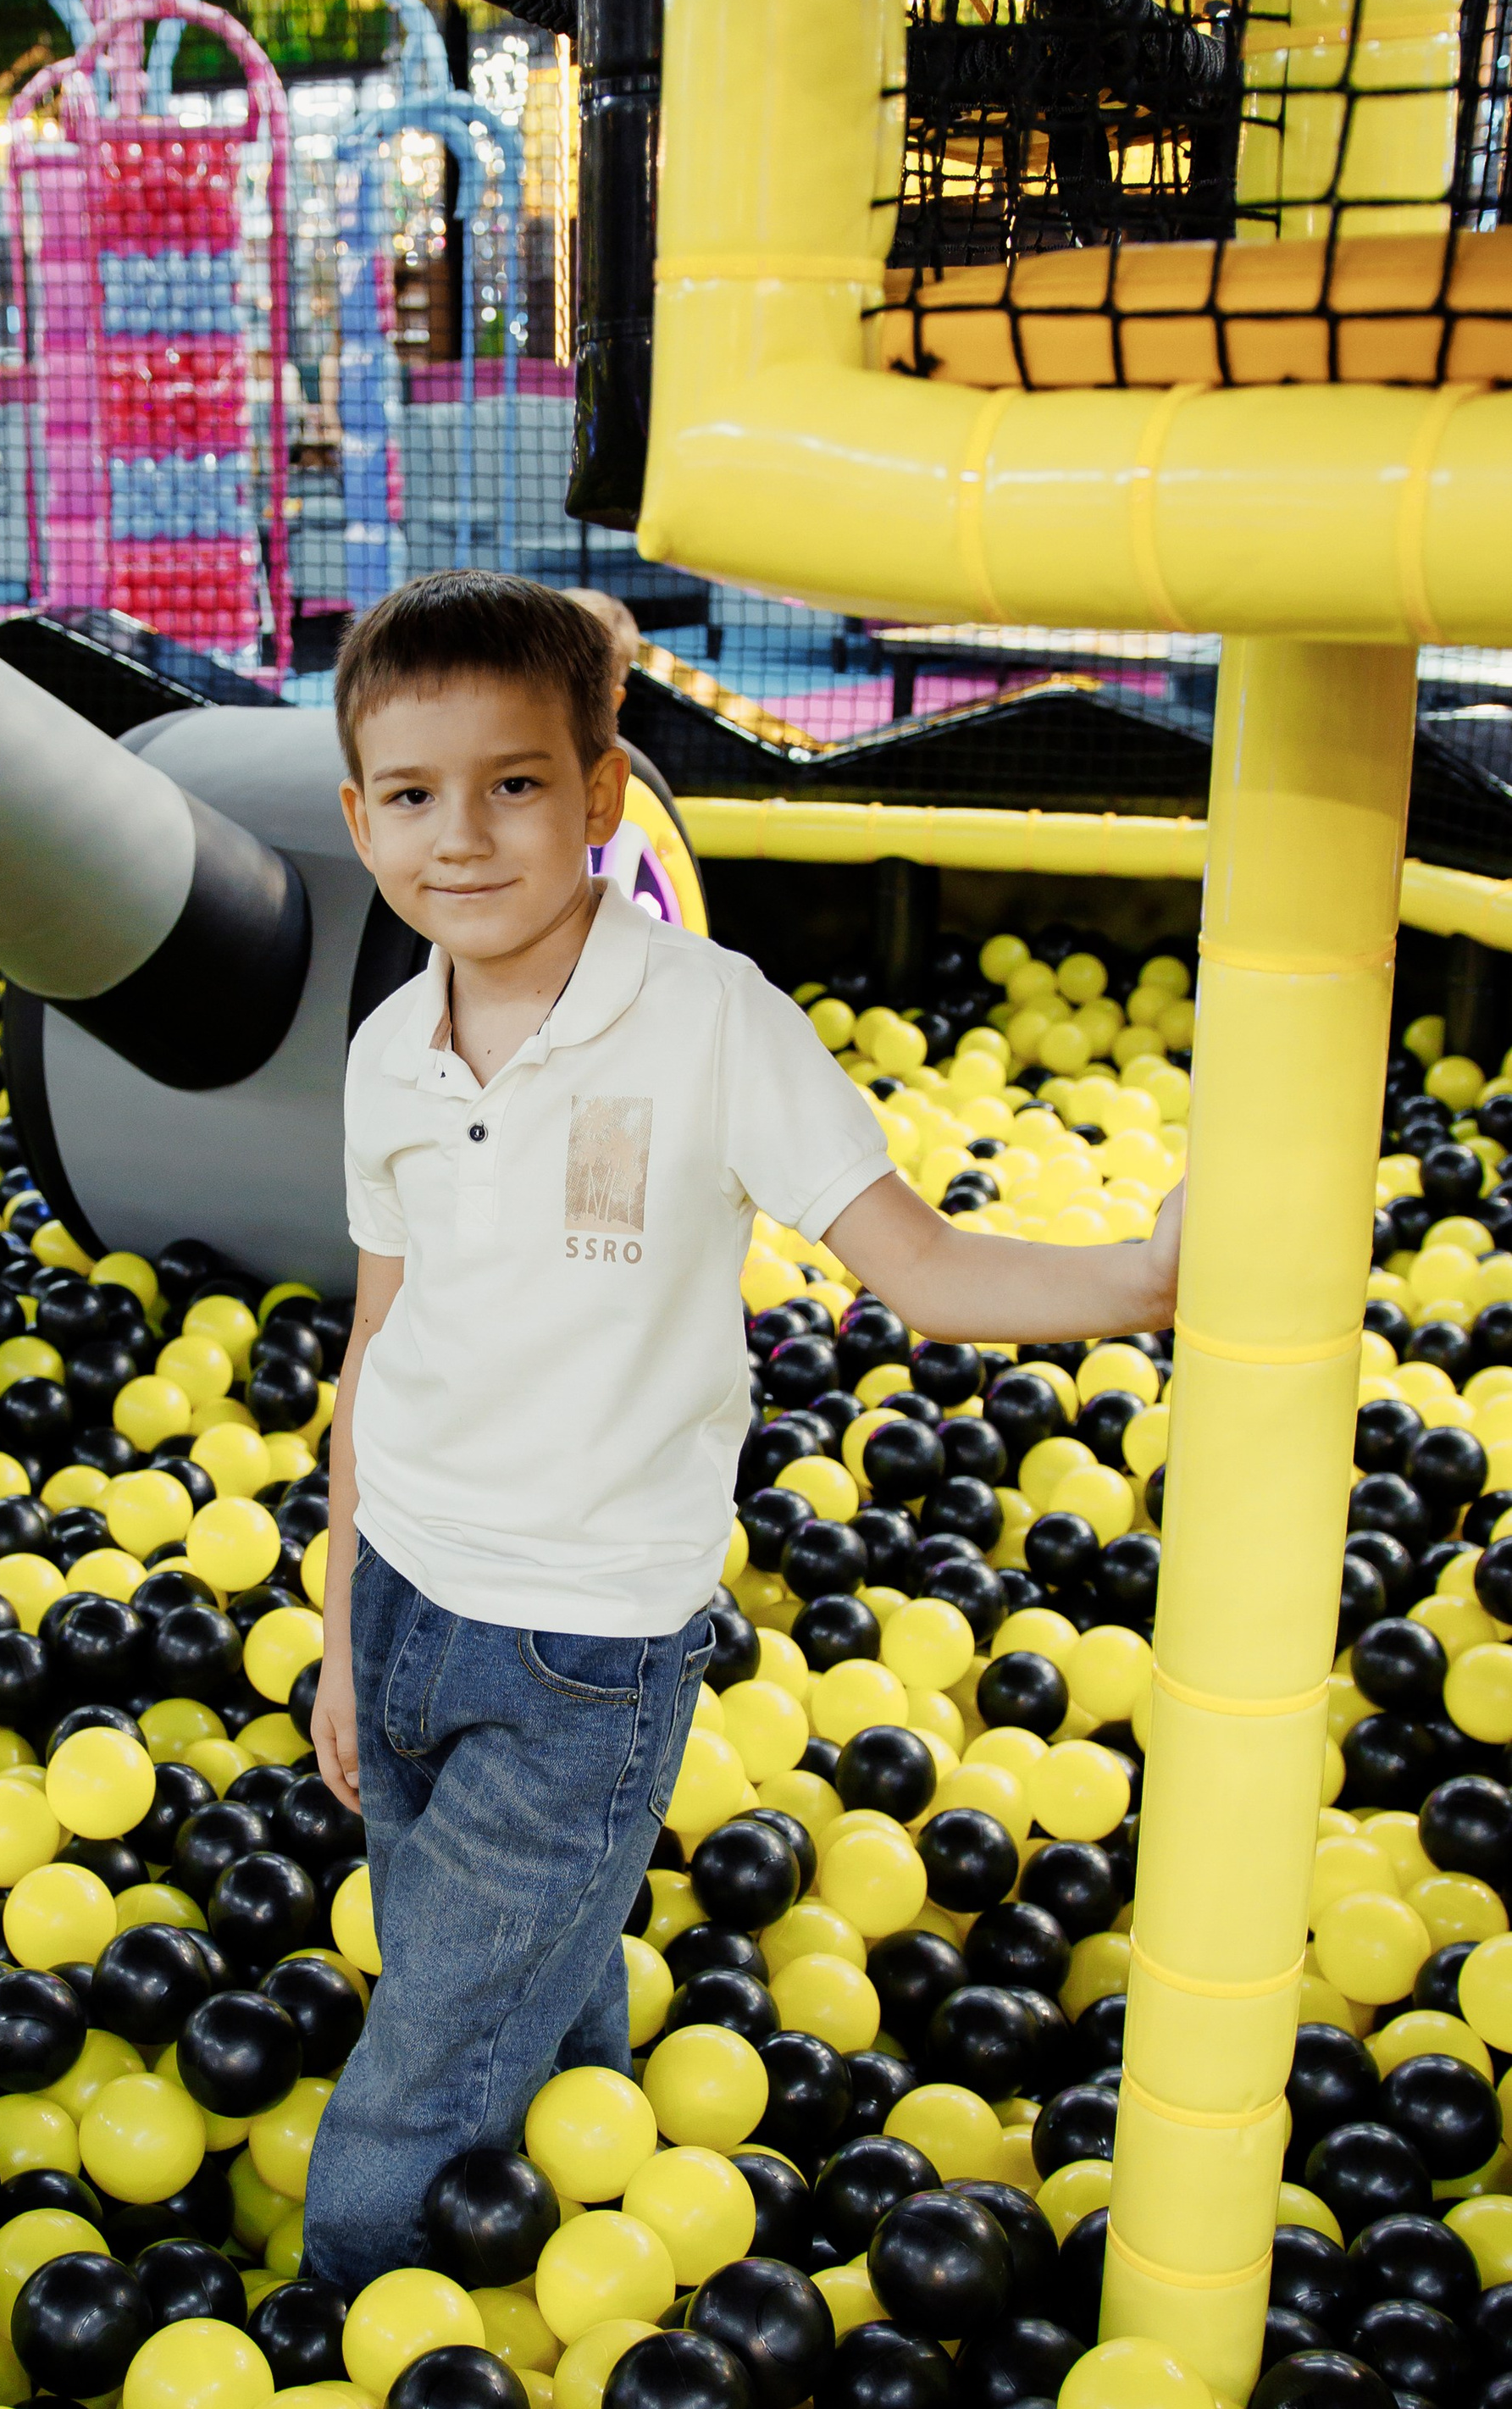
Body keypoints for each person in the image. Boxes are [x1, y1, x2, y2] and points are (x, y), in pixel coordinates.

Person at [302, 570, 1183, 2290]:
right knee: (503, 1977)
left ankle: (355, 2343)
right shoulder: (391, 1049)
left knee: (417, 2071)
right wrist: (342, 1631)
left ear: (602, 791)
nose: (460, 836)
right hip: (404, 1592)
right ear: (355, 818)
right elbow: (374, 1335)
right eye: (410, 796)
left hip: (581, 1649)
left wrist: (1137, 1281)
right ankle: (595, 2233)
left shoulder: (708, 1023)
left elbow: (915, 1270)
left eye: (512, 784)